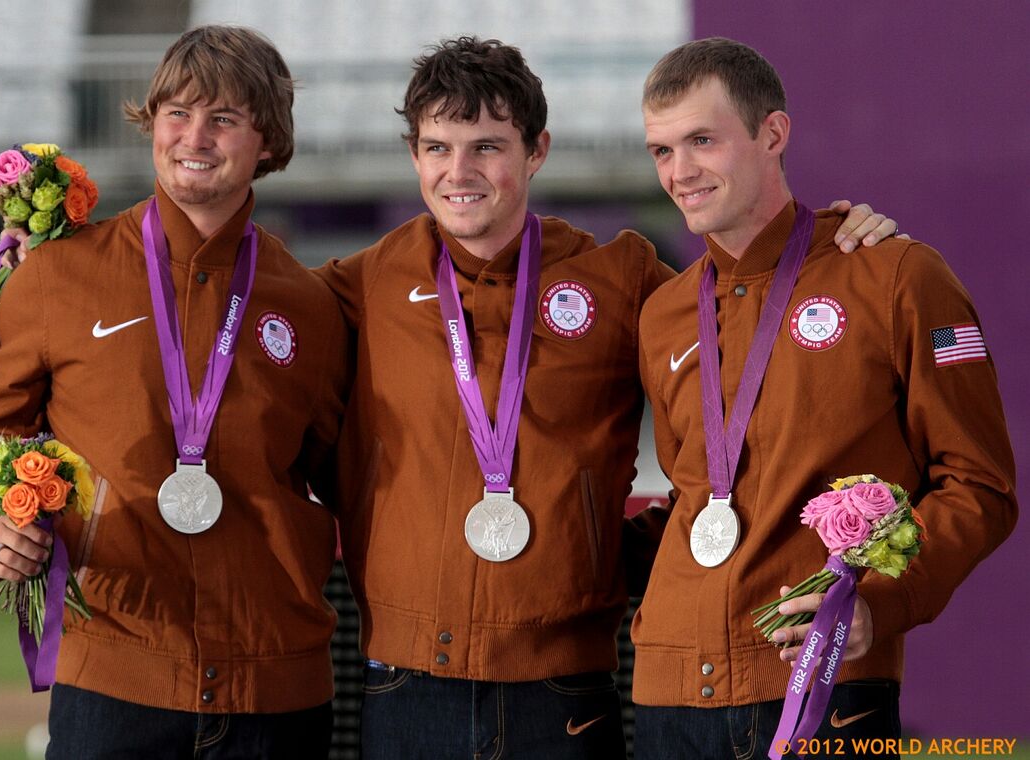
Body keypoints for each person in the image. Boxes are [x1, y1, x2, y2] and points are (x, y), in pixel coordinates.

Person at [316, 36, 898, 759]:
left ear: (537, 151)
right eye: (437, 147)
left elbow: (743, 318)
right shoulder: (360, 284)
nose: (458, 172)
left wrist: (829, 240)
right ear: (413, 155)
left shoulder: (618, 278)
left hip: (568, 684)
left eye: (487, 146)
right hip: (402, 683)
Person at [0, 25, 348, 759]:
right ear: (151, 123)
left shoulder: (307, 303)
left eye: (223, 118)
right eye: (177, 113)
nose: (195, 136)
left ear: (269, 142)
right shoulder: (59, 276)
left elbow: (345, 477)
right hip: (114, 685)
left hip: (276, 690)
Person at [632, 37, 1017, 759]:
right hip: (668, 696)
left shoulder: (896, 275)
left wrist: (881, 601)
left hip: (824, 682)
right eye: (661, 151)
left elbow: (979, 484)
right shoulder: (663, 313)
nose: (679, 173)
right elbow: (699, 491)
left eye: (702, 141)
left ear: (773, 134)